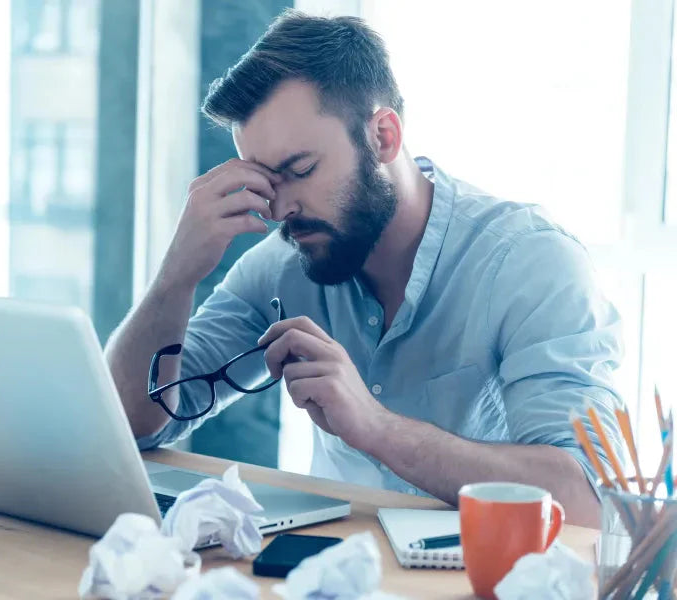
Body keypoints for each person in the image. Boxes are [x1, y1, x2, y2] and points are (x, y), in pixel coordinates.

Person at [105, 10, 624, 527]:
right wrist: (177, 275)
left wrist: (376, 427)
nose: (281, 208)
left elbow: (585, 500)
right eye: (265, 181)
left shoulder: (530, 264)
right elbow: (135, 423)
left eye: (301, 170)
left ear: (383, 137)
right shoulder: (281, 267)